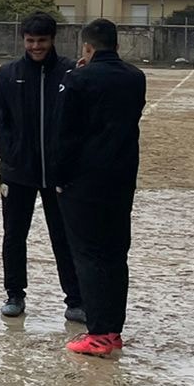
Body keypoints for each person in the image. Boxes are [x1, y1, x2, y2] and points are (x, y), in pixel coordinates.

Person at [51, 19, 146, 357]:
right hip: (121, 178)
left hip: (84, 181)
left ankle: (99, 332)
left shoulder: (77, 79)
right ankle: (113, 329)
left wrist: (58, 178)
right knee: (116, 254)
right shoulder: (136, 77)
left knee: (88, 256)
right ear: (116, 45)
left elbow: (65, 134)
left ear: (87, 48)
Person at [0, 11, 83, 322]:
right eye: (30, 41)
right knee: (14, 234)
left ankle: (75, 299)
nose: (36, 46)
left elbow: (83, 121)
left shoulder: (71, 73)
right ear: (23, 40)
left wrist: (66, 159)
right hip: (17, 174)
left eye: (42, 41)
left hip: (59, 174)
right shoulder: (6, 75)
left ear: (53, 39)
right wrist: (13, 154)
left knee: (64, 237)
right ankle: (15, 294)